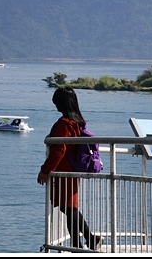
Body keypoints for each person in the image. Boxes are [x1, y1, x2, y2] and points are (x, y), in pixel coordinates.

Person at [36, 87, 103, 251]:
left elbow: (59, 149)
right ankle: (78, 243)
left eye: (56, 102)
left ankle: (90, 238)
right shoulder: (78, 122)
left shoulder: (65, 123)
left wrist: (45, 170)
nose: (55, 105)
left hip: (64, 171)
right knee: (69, 208)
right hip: (72, 170)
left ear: (61, 103)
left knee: (69, 208)